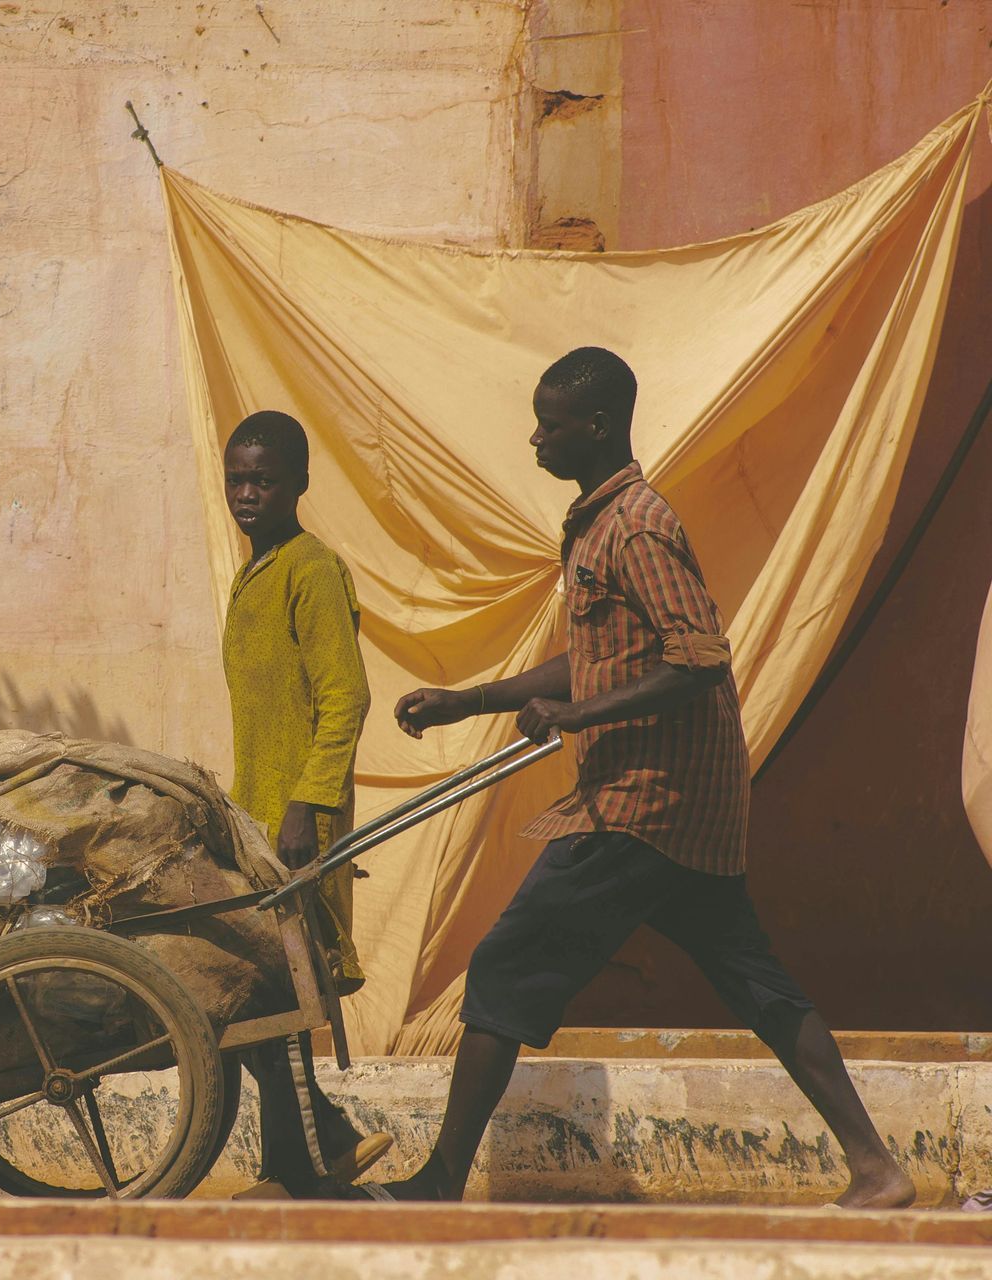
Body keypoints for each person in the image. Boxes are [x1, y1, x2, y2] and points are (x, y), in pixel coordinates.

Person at [376, 347, 913, 1208]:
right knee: (756, 982)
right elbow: (590, 658)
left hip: (643, 802)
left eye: (549, 424)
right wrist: (468, 699)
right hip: (678, 809)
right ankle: (878, 1170)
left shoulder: (637, 524)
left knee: (503, 966)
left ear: (593, 426)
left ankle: (440, 1180)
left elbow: (699, 659)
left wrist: (579, 719)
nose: (535, 439)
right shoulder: (596, 524)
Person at [220, 409, 392, 1198]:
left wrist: (307, 804)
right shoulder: (253, 572)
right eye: (237, 478)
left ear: (299, 484)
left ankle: (309, 1154)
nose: (247, 493)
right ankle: (307, 1155)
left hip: (295, 825)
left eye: (264, 479)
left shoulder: (310, 569)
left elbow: (345, 698)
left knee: (271, 995)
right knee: (261, 998)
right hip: (253, 820)